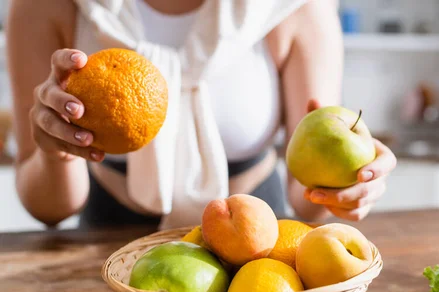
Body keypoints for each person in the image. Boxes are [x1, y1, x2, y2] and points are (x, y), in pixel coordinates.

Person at [6, 0, 397, 230]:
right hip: (108, 235)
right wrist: (56, 151)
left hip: (256, 236)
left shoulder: (291, 7)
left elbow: (307, 201)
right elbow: (48, 209)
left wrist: (342, 190)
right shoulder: (46, 6)